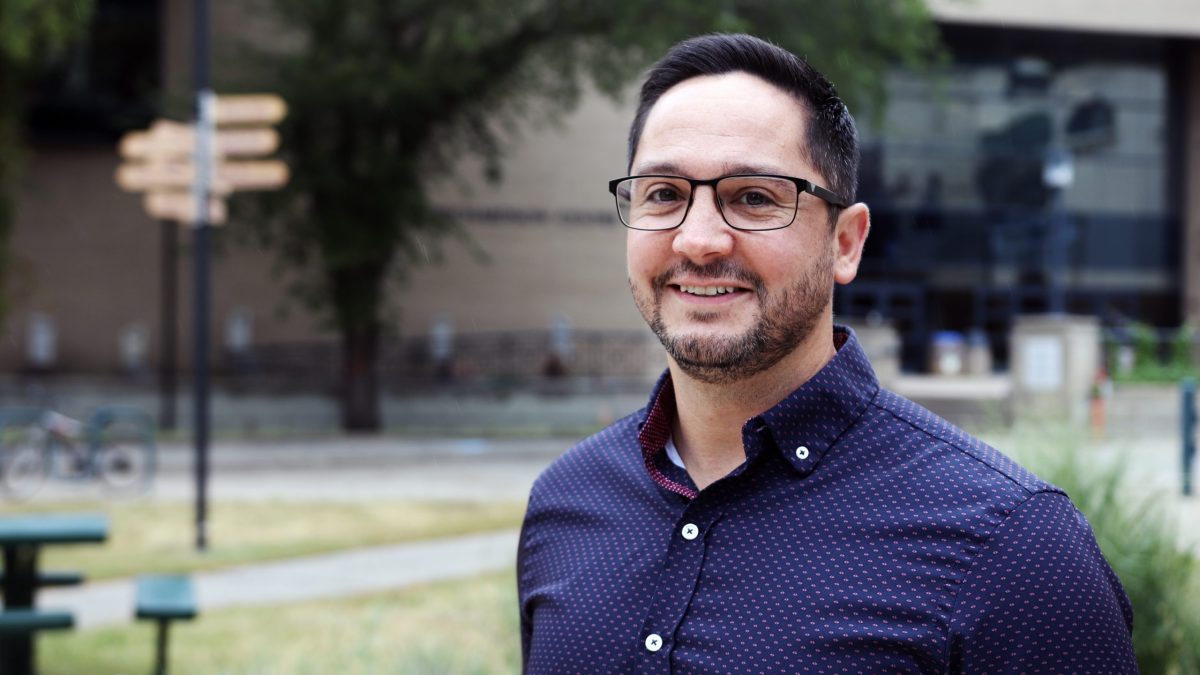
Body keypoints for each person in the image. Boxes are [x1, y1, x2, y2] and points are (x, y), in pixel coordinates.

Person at [517, 34, 1136, 674]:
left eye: (753, 197)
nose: (697, 241)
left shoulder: (1013, 547)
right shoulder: (564, 504)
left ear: (845, 242)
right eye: (663, 194)